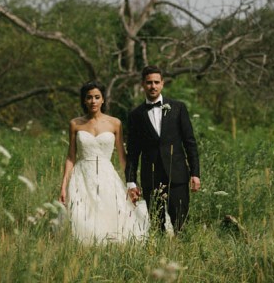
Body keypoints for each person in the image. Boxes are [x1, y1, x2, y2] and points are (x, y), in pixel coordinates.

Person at [59, 81, 149, 244]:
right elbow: (71, 157)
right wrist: (64, 185)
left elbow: (122, 156)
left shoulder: (115, 123)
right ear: (84, 100)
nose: (93, 101)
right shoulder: (75, 123)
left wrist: (131, 184)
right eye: (89, 98)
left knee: (111, 212)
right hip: (82, 175)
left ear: (103, 100)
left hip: (107, 175)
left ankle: (108, 245)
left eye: (97, 97)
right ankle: (83, 249)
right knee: (82, 214)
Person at [125, 65, 201, 234]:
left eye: (156, 82)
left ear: (162, 84)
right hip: (151, 178)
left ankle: (182, 256)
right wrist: (131, 182)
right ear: (143, 85)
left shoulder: (178, 108)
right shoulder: (135, 115)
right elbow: (133, 152)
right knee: (157, 227)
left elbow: (190, 143)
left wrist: (195, 173)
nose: (153, 86)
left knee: (181, 224)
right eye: (149, 82)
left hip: (178, 175)